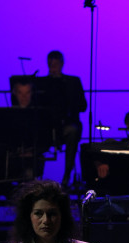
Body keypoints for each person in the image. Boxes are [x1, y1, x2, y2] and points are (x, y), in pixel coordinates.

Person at [43, 50, 87, 187]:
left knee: (73, 131)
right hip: (46, 126)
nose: (53, 66)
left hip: (66, 124)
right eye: (51, 63)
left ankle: (67, 175)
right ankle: (33, 176)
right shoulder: (42, 83)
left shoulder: (73, 82)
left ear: (62, 64)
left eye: (56, 63)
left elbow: (83, 105)